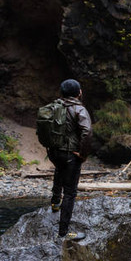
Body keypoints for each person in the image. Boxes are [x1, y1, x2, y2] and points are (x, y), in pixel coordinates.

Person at [48, 78, 92, 241]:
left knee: (59, 170)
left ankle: (54, 202)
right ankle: (64, 232)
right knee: (71, 192)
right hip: (70, 155)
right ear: (79, 93)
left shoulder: (53, 107)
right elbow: (87, 132)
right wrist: (83, 154)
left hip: (54, 152)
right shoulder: (79, 110)